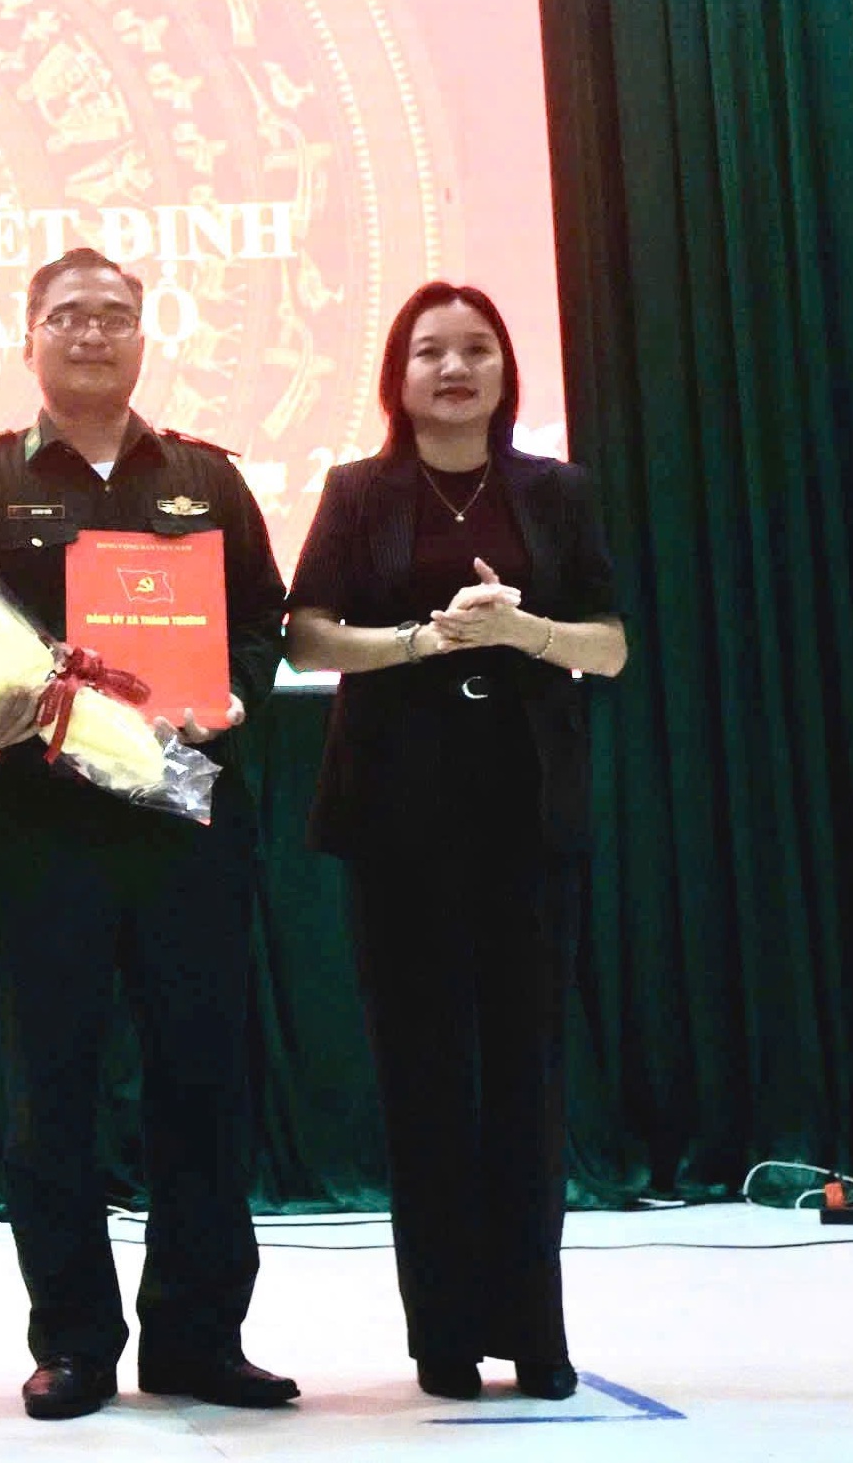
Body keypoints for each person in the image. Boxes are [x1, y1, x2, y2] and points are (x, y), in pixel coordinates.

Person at [0, 247, 298, 1420]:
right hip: (43, 828)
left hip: (187, 821)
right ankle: (74, 1338)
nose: (92, 333)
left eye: (115, 316)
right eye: (68, 315)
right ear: (28, 337)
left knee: (202, 1080)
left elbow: (262, 622)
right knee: (53, 1091)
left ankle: (199, 1334)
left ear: (143, 336)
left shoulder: (206, 477)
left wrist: (230, 694)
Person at [285, 282, 627, 1402]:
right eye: (430, 350)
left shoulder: (556, 491)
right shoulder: (358, 492)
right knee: (421, 1072)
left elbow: (611, 645)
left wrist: (524, 629)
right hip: (398, 816)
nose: (453, 367)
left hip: (525, 812)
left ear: (504, 370)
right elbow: (308, 634)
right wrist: (419, 641)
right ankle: (443, 1334)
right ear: (397, 375)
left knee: (528, 1074)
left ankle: (534, 1330)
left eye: (476, 348)